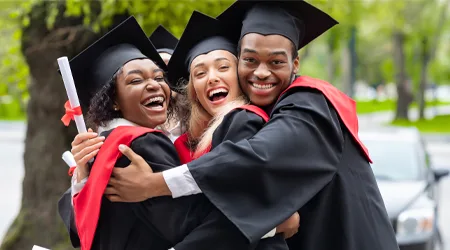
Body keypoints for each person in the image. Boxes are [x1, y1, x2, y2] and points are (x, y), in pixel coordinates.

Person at [104, 1, 400, 250]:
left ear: (295, 64)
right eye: (249, 60)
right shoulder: (243, 118)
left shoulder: (308, 104)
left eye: (275, 62)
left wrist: (154, 185)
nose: (261, 72)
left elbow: (258, 157)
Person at [60, 12, 297, 250]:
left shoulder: (108, 146)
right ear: (113, 101)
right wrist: (272, 223)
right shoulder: (143, 144)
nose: (154, 85)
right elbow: (185, 223)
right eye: (135, 81)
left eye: (160, 77)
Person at [149, 24, 186, 141]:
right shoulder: (137, 127)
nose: (162, 76)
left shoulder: (200, 124)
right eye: (156, 70)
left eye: (169, 67)